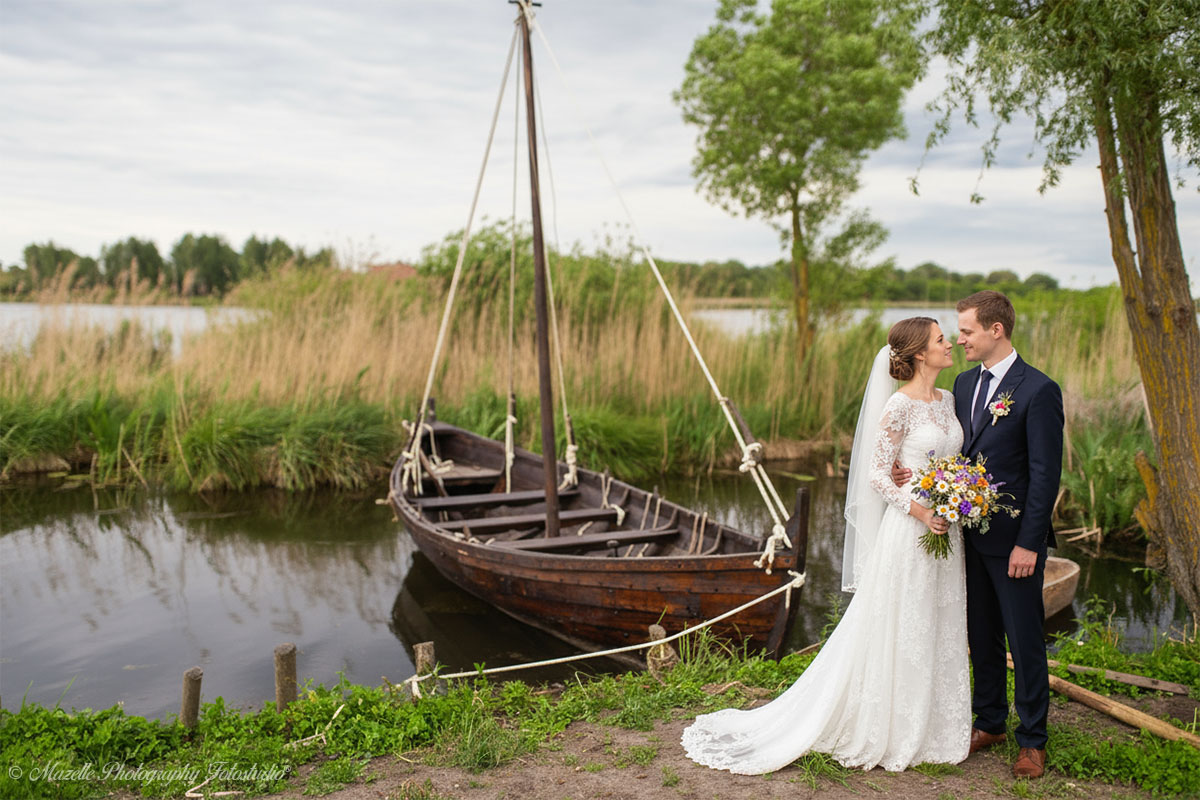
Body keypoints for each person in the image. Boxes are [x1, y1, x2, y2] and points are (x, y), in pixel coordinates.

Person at [681, 317, 970, 774]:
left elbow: (948, 460)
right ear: (919, 353)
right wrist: (920, 510)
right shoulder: (898, 405)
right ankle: (892, 725)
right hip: (912, 530)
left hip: (947, 530)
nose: (949, 343)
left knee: (938, 618)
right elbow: (877, 475)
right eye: (940, 339)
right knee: (905, 622)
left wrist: (960, 492)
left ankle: (934, 726)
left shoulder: (949, 399)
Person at [893, 291, 1063, 779]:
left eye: (966, 331)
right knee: (981, 635)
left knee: (1024, 640)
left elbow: (1044, 474)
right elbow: (949, 453)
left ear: (996, 330)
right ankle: (990, 721)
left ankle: (1032, 740)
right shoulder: (963, 385)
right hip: (964, 537)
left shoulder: (1039, 390)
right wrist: (912, 475)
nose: (960, 339)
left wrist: (1029, 543)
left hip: (1014, 543)